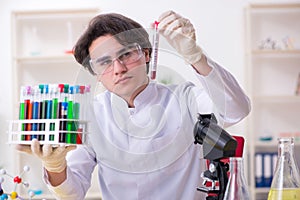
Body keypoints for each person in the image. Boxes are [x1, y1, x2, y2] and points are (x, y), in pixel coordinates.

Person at [16, 10, 251, 199]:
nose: (118, 68)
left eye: (127, 54)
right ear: (95, 73)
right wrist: (55, 166)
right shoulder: (92, 115)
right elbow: (73, 193)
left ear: (147, 54)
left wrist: (195, 56)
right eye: (104, 62)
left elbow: (236, 110)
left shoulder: (184, 98)